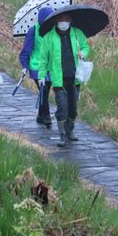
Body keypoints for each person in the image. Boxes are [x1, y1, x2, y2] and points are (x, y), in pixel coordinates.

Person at [38, 13, 90, 147]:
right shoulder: (49, 37)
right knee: (62, 107)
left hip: (75, 78)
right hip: (58, 79)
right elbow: (43, 58)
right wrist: (42, 75)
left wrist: (82, 53)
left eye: (67, 19)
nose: (64, 22)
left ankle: (70, 131)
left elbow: (85, 47)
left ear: (71, 20)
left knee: (73, 108)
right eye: (61, 19)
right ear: (56, 20)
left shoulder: (77, 34)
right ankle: (62, 135)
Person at [19, 6, 54, 128]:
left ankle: (40, 115)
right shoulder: (33, 31)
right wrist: (24, 66)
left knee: (45, 90)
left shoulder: (53, 31)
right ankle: (47, 117)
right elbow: (26, 50)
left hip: (49, 67)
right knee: (43, 89)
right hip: (36, 66)